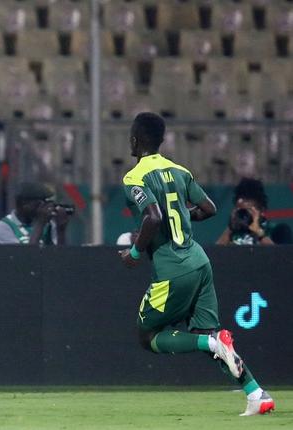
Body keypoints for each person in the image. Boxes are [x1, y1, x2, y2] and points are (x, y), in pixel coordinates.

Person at [119, 112, 274, 416]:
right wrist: (180, 218)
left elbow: (152, 217)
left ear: (136, 139)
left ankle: (212, 343)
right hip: (200, 262)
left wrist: (135, 253)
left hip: (173, 270)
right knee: (213, 338)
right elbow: (209, 208)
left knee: (147, 336)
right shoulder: (179, 170)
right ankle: (256, 393)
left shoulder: (134, 177)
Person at [0, 182, 71, 245]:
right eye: (39, 204)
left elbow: (60, 256)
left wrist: (61, 230)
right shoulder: (4, 226)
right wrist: (40, 223)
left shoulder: (49, 225)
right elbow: (25, 259)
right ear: (24, 204)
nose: (44, 208)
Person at [216, 178, 276, 246]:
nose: (245, 213)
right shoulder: (233, 232)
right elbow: (216, 253)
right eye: (240, 209)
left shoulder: (274, 230)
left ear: (261, 209)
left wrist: (259, 232)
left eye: (249, 209)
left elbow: (281, 254)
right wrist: (230, 228)